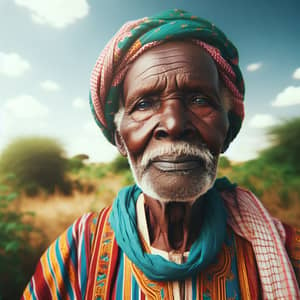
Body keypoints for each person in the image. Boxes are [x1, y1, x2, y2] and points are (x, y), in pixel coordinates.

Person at [22, 9, 300, 300]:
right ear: (120, 139)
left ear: (227, 131)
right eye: (144, 104)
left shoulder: (287, 253)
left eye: (199, 100)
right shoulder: (78, 252)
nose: (174, 124)